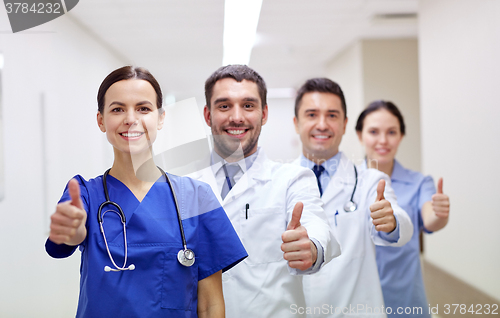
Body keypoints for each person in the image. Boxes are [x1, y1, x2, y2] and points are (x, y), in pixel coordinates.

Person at [45, 66, 247, 318]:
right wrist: (72, 232)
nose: (131, 119)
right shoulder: (85, 194)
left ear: (160, 117)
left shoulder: (196, 197)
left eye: (143, 108)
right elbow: (67, 238)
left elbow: (211, 305)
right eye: (117, 109)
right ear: (101, 120)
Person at [187, 65, 341, 318]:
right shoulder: (184, 187)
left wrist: (310, 247)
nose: (237, 117)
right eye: (224, 106)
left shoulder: (293, 179)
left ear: (264, 113)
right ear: (207, 114)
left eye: (248, 105)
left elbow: (317, 225)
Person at [292, 78, 414, 318]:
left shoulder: (370, 181)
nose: (322, 124)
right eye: (312, 114)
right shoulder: (279, 183)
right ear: (296, 123)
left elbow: (402, 227)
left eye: (332, 115)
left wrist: (391, 221)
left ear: (345, 124)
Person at [356, 100, 450, 318]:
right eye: (373, 131)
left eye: (391, 132)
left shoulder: (419, 182)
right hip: (358, 300)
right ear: (360, 135)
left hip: (405, 301)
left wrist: (439, 213)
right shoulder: (346, 183)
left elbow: (430, 220)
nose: (383, 140)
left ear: (401, 136)